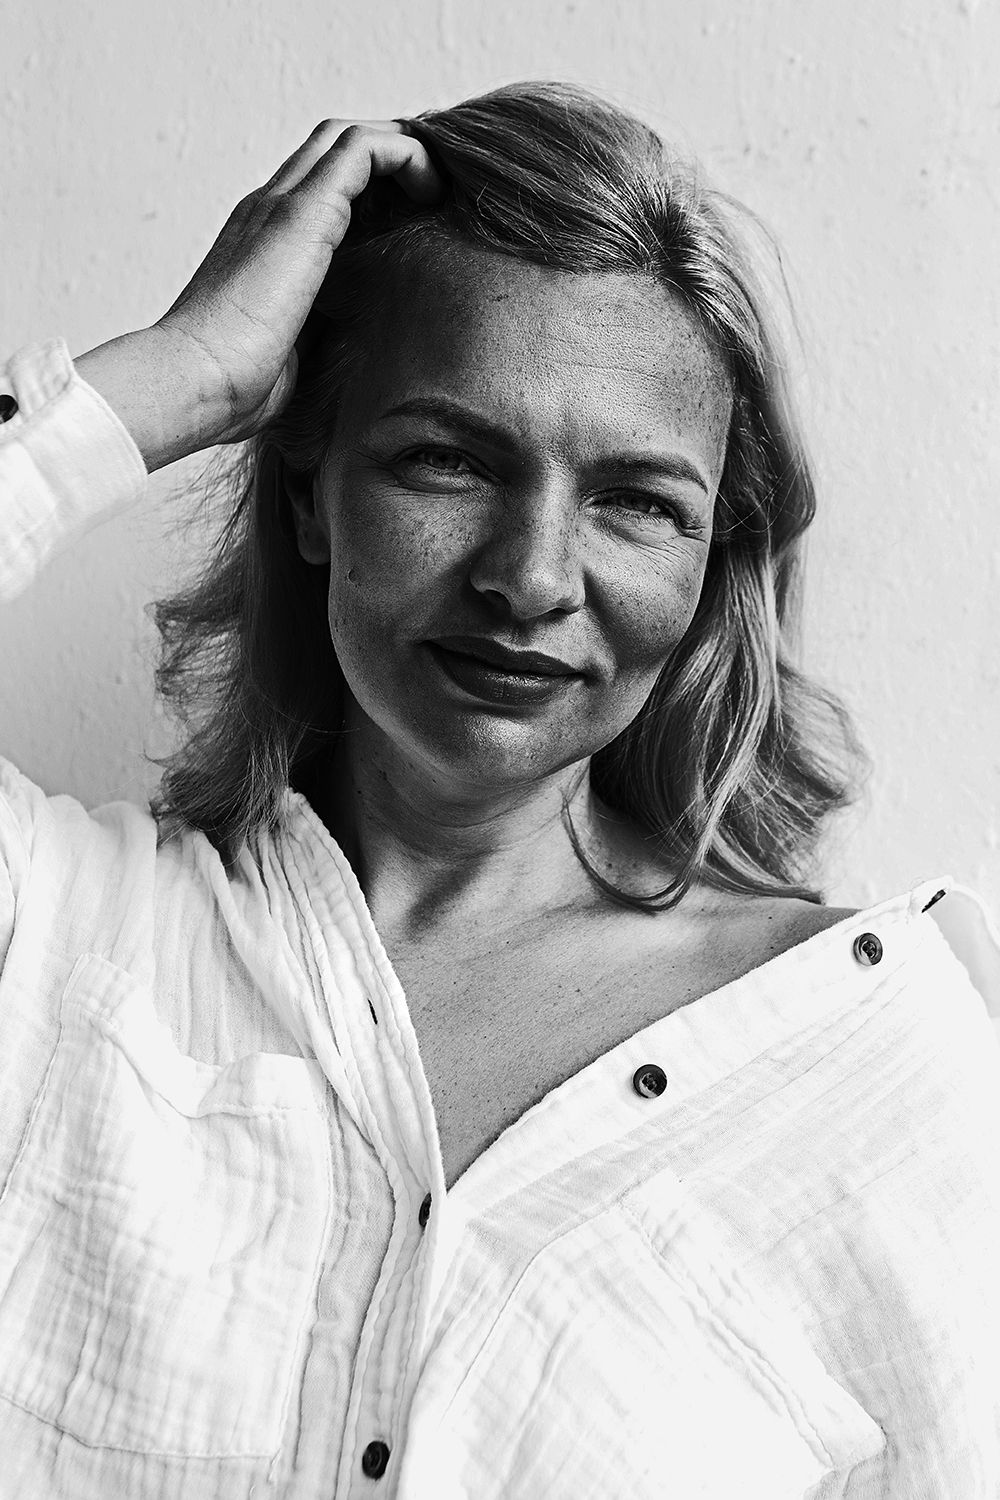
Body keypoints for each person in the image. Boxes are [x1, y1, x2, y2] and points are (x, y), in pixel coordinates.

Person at [0, 81, 998, 1500]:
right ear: (309, 495)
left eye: (637, 501)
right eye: (447, 461)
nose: (530, 578)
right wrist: (177, 377)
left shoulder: (872, 1076)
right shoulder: (61, 946)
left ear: (711, 567)